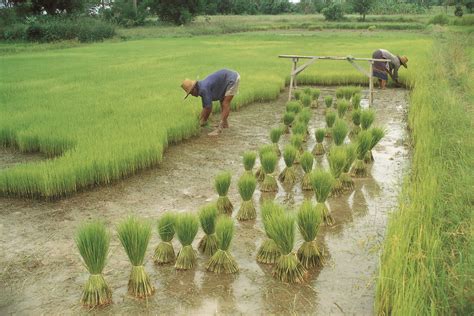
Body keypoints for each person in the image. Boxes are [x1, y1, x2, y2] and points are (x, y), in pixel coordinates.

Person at [181, 69, 240, 136]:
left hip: (232, 79)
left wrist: (202, 121)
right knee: (222, 100)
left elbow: (208, 108)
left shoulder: (203, 89)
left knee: (225, 103)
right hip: (225, 79)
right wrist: (201, 118)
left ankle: (219, 129)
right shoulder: (201, 87)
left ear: (194, 89)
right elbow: (206, 107)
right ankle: (225, 124)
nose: (192, 95)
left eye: (191, 93)